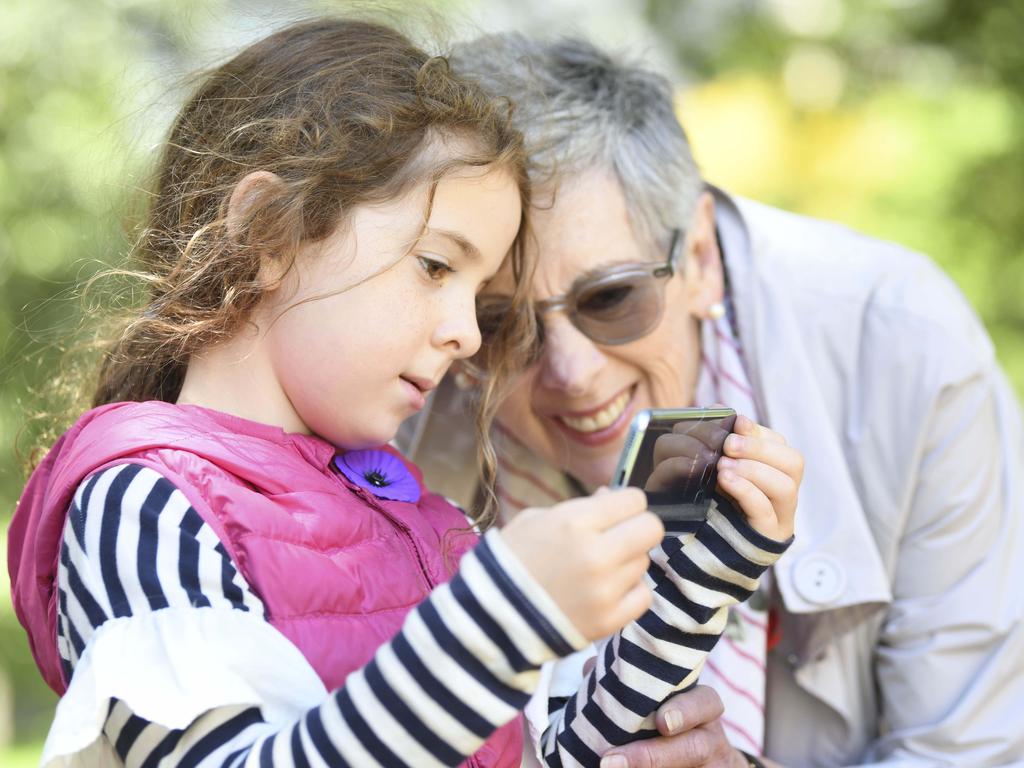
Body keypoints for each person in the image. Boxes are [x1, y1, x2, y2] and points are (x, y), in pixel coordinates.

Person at [6, 18, 800, 768]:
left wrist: (700, 577)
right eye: (436, 267)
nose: (466, 335)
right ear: (268, 233)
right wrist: (501, 619)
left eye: (479, 296)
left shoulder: (423, 518)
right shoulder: (144, 504)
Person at [400, 33, 1024, 767]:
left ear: (697, 257)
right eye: (505, 326)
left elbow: (971, 750)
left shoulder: (903, 345)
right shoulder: (400, 403)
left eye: (612, 298)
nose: (573, 372)